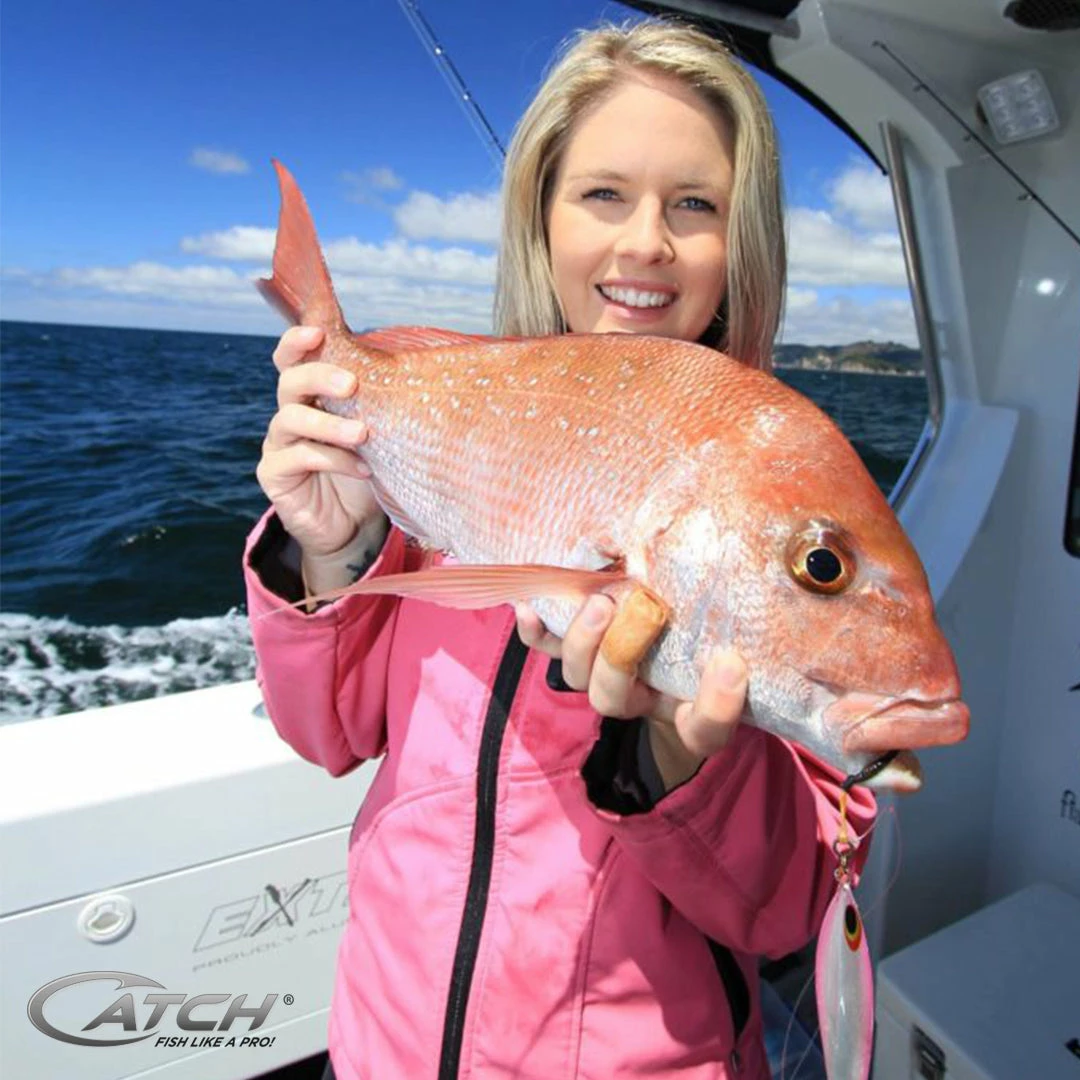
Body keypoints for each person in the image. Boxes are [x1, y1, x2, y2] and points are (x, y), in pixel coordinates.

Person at [245, 19, 876, 1080]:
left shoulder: (779, 507)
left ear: (744, 244)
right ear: (540, 220)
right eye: (602, 194)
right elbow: (328, 736)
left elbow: (787, 911)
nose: (645, 243)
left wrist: (678, 755)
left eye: (695, 205)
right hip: (381, 1043)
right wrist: (334, 551)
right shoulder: (448, 457)